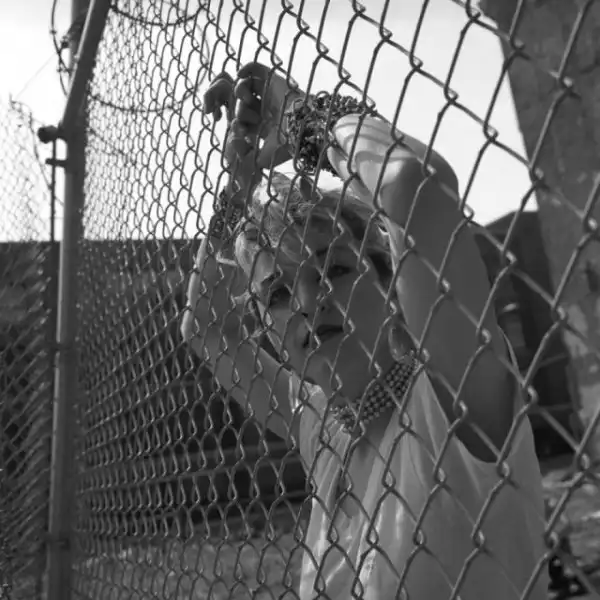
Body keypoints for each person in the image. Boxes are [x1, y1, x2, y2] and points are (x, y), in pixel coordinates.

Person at [181, 63, 548, 600]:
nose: (309, 303)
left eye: (335, 268)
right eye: (278, 294)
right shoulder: (321, 422)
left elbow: (412, 189)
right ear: (267, 330)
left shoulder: (448, 395)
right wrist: (238, 190)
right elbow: (206, 328)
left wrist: (302, 117)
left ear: (391, 287)